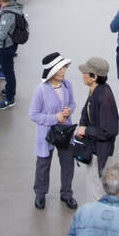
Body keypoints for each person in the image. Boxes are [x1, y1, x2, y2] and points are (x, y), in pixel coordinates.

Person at [31, 53, 78, 210]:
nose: (63, 71)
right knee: (43, 165)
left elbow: (72, 103)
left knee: (67, 163)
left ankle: (66, 194)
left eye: (64, 68)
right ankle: (40, 194)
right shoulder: (41, 90)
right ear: (52, 71)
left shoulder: (67, 85)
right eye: (60, 69)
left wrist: (68, 110)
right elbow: (34, 114)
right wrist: (55, 117)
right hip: (46, 134)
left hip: (65, 133)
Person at [74, 58, 119, 174]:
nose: (83, 74)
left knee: (95, 187)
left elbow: (109, 131)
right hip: (94, 146)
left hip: (99, 153)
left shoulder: (104, 97)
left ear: (94, 77)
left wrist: (86, 131)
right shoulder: (95, 90)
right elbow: (86, 110)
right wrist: (82, 126)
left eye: (85, 72)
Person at [0, 0, 25, 111]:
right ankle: (9, 89)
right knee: (8, 69)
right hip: (10, 44)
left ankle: (10, 98)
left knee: (8, 72)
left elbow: (1, 35)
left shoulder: (7, 14)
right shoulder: (10, 8)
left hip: (6, 46)